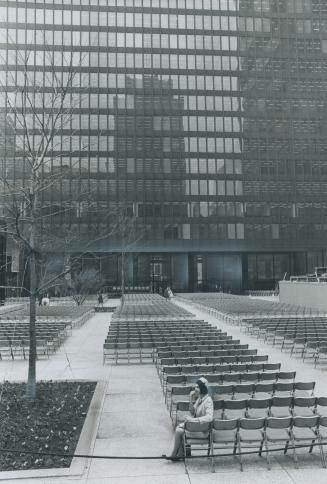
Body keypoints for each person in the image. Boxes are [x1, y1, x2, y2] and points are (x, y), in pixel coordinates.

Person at [162, 377, 213, 461]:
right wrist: (190, 398)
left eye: (197, 387)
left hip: (203, 431)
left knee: (179, 431)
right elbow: (193, 413)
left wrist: (192, 420)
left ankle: (175, 454)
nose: (195, 389)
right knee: (179, 428)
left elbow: (209, 417)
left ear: (202, 388)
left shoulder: (208, 401)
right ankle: (180, 454)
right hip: (197, 428)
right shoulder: (200, 398)